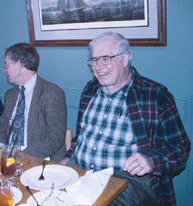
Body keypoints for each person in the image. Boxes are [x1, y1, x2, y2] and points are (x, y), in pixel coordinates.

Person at [61, 32, 191, 205]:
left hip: (126, 180)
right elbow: (82, 136)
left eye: (105, 59)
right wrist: (67, 158)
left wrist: (151, 160)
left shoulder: (154, 95)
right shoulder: (90, 90)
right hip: (81, 170)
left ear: (125, 59)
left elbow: (180, 148)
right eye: (94, 60)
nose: (98, 67)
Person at [0, 42, 67, 162]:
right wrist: (1, 151)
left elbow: (54, 139)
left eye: (7, 65)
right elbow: (2, 129)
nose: (5, 70)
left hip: (39, 159)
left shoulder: (51, 93)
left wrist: (19, 156)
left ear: (20, 65)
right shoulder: (10, 95)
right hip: (9, 158)